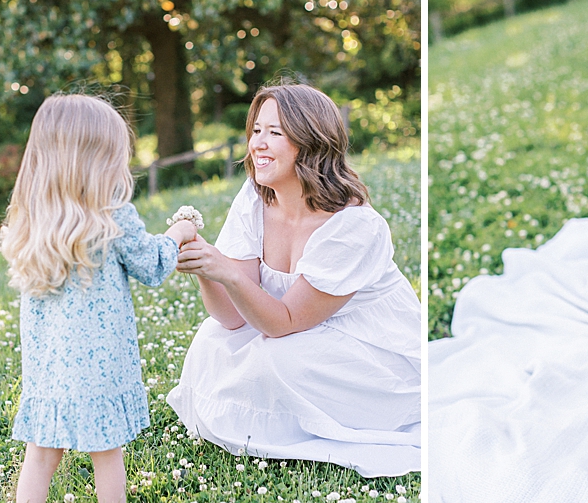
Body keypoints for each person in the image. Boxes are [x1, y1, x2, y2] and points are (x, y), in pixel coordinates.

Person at [166, 82, 420, 478]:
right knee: (212, 342)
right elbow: (231, 318)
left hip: (361, 343)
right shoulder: (255, 197)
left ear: (311, 142)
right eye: (256, 131)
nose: (258, 144)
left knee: (280, 359)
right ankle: (268, 421)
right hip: (286, 325)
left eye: (275, 133)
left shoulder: (353, 226)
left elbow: (283, 322)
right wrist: (206, 271)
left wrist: (227, 270)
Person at [0, 94, 198, 503]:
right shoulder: (112, 215)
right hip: (101, 367)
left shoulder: (33, 219)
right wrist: (178, 233)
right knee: (108, 449)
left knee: (42, 449)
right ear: (99, 161)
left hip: (48, 369)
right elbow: (152, 265)